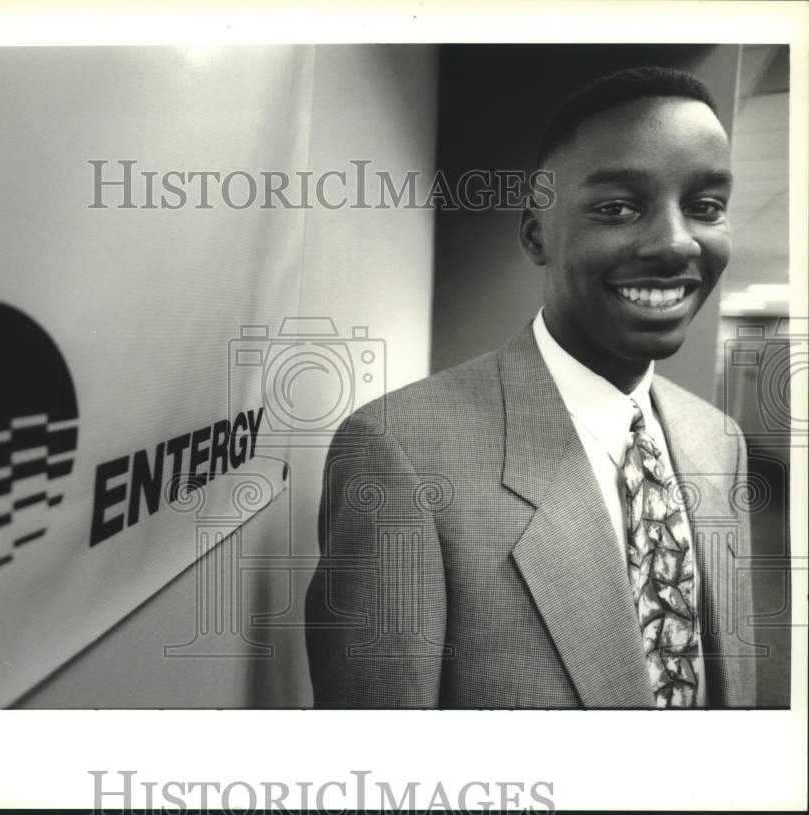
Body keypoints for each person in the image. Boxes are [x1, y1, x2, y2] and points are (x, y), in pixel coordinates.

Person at [304, 66, 757, 709]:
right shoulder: (398, 455)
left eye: (706, 207)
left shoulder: (719, 440)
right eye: (618, 207)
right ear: (535, 233)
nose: (676, 242)